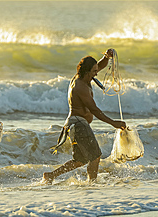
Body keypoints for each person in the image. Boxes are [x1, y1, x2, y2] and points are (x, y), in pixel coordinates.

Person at [43, 49, 126, 184]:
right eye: (94, 71)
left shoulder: (84, 77)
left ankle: (51, 175)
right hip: (78, 124)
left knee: (80, 160)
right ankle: (91, 184)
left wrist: (106, 56)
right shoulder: (80, 86)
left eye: (96, 70)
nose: (96, 73)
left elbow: (99, 65)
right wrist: (113, 123)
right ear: (86, 72)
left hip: (75, 124)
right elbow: (94, 109)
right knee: (95, 156)